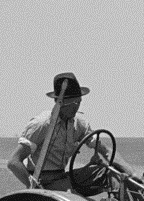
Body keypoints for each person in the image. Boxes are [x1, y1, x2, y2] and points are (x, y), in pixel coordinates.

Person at [8, 72, 137, 193]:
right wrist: (32, 184)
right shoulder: (42, 124)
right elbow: (14, 162)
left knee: (110, 174)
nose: (76, 107)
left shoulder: (78, 124)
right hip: (45, 182)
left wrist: (130, 173)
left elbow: (105, 150)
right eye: (73, 103)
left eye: (79, 102)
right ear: (60, 102)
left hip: (63, 177)